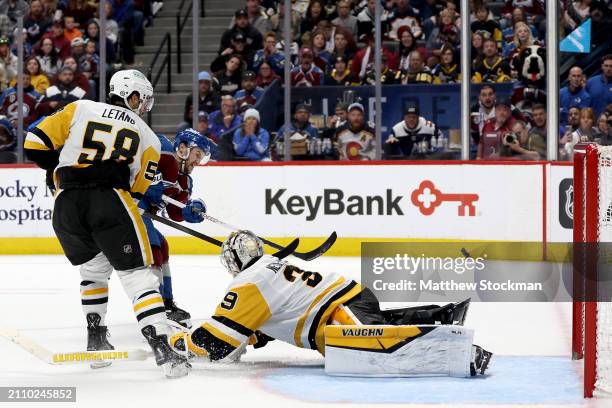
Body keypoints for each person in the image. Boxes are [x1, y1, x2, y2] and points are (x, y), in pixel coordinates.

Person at [23, 69, 189, 378]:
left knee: (93, 270)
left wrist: (62, 166)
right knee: (138, 276)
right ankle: (163, 347)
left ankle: (96, 339)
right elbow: (138, 189)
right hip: (110, 201)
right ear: (132, 96)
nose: (145, 107)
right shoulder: (149, 136)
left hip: (66, 204)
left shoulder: (80, 107)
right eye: (144, 99)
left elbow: (34, 144)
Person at [167, 230, 491, 378]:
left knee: (375, 349)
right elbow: (256, 332)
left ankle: (458, 353)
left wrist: (180, 342)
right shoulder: (268, 270)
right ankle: (437, 317)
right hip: (346, 302)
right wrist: (240, 342)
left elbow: (220, 340)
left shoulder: (248, 283)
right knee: (370, 338)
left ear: (233, 261)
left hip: (337, 310)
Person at [138, 129, 211, 328]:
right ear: (183, 148)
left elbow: (175, 213)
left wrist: (190, 212)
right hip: (128, 206)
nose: (198, 162)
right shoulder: (162, 148)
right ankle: (154, 309)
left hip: (140, 214)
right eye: (197, 155)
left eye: (202, 159)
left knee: (162, 245)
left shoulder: (185, 181)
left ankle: (166, 303)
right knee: (153, 246)